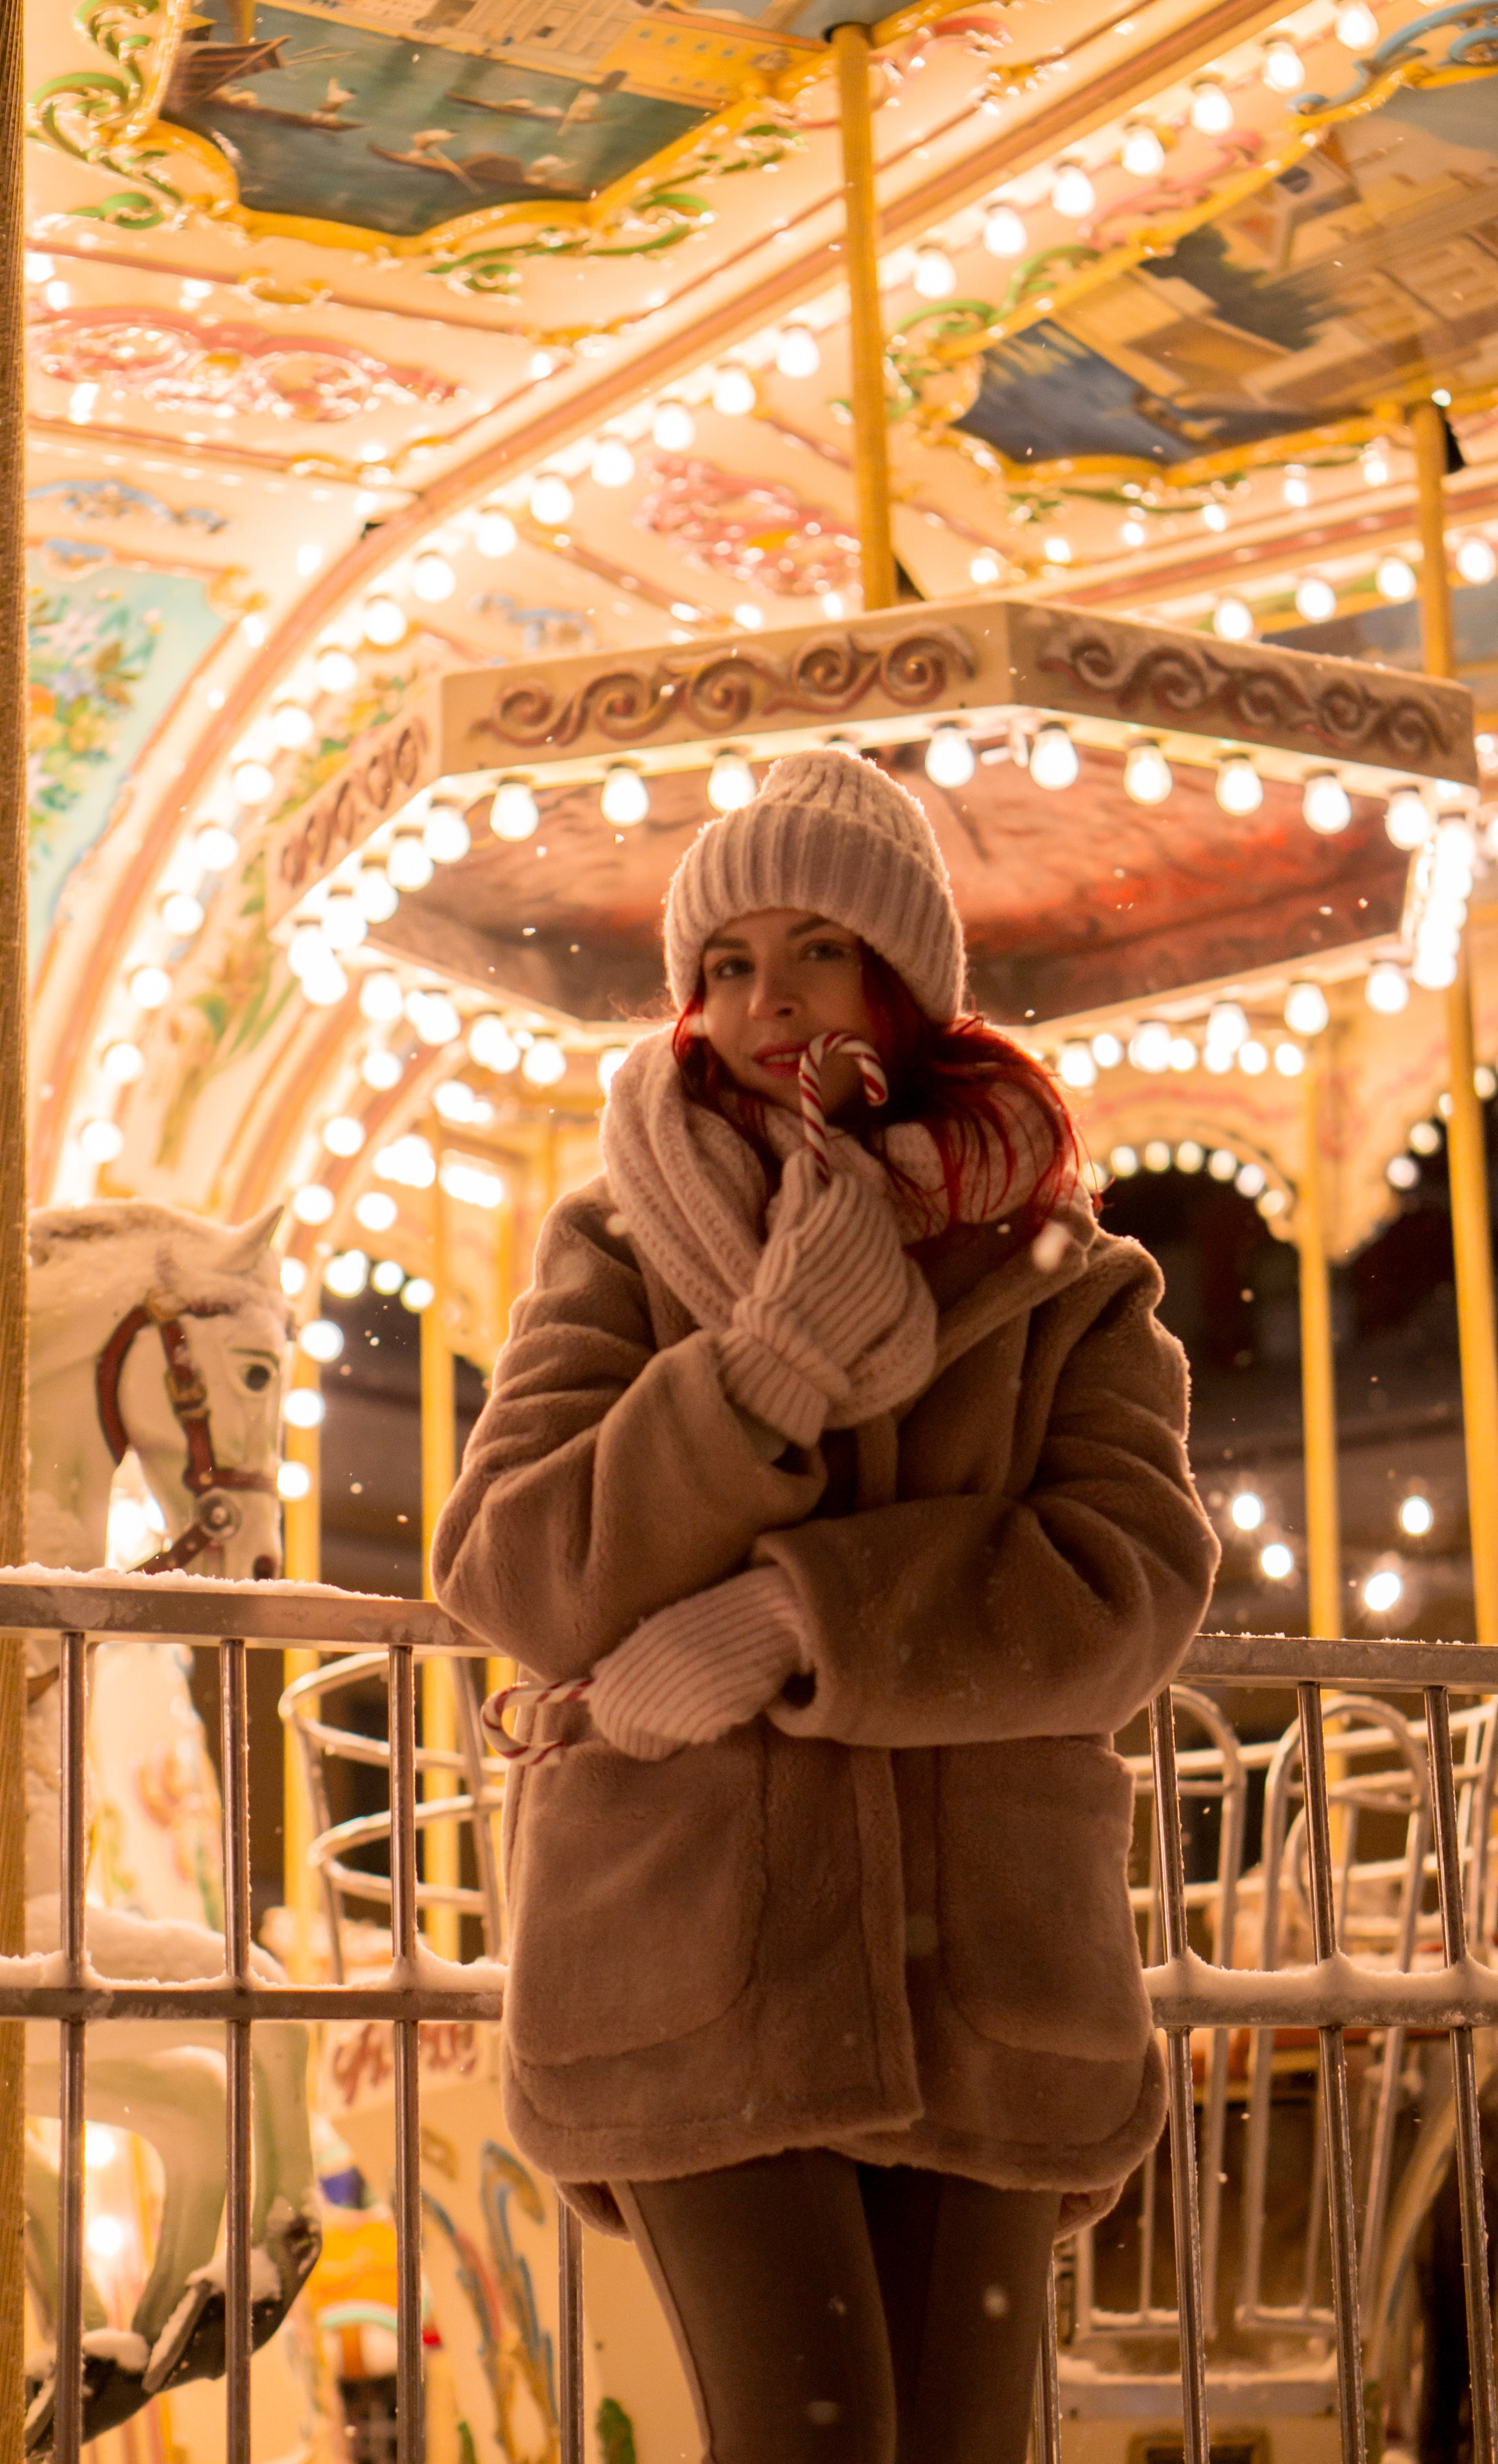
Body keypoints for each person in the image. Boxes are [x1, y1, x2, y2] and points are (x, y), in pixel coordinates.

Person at [432, 748, 1220, 2464]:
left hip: (989, 1969)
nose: (767, 1001)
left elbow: (1126, 1581)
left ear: (905, 986)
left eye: (817, 952)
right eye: (728, 964)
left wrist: (803, 1621)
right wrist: (758, 1376)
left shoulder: (1067, 1280)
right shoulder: (618, 1249)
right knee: (810, 2436)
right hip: (693, 1955)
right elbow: (517, 1563)